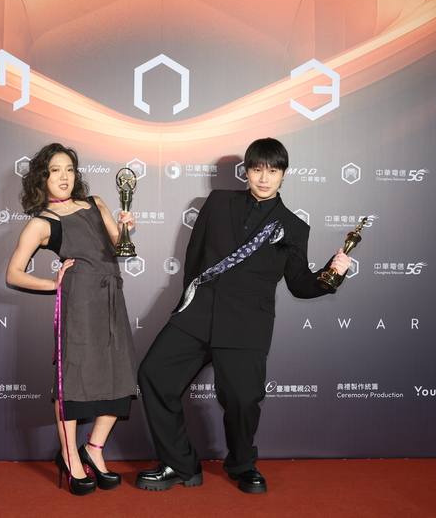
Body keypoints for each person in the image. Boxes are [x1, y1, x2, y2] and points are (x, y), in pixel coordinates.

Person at [135, 138, 352, 494]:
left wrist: (332, 274)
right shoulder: (218, 203)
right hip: (198, 314)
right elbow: (194, 257)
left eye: (273, 170)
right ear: (246, 171)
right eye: (257, 169)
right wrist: (187, 301)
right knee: (153, 375)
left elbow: (299, 284)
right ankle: (179, 463)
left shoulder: (293, 226)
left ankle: (242, 465)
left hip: (247, 324)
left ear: (283, 174)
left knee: (242, 401)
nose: (264, 178)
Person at [6, 143, 137, 496]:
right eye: (54, 171)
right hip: (79, 305)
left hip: (111, 299)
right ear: (42, 178)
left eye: (69, 169)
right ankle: (69, 456)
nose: (64, 177)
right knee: (73, 383)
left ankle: (93, 448)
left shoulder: (96, 203)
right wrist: (52, 283)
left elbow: (116, 244)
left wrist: (126, 227)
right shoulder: (42, 222)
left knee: (119, 376)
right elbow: (14, 274)